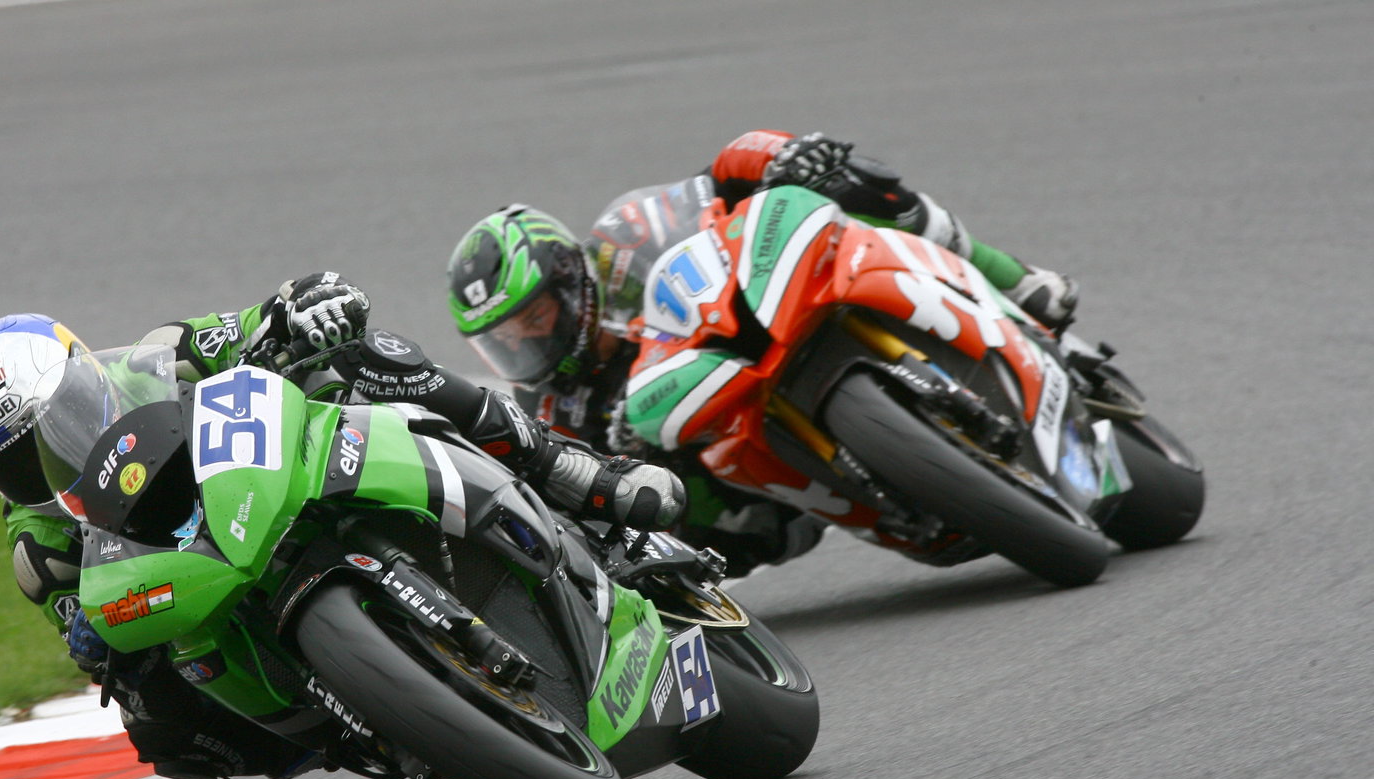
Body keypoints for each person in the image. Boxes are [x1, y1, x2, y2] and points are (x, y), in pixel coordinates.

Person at [0, 275, 684, 779]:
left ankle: (572, 473)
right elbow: (92, 636)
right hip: (205, 590)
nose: (46, 459)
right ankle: (364, 714)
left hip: (267, 476)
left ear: (81, 375)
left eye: (55, 421)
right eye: (16, 462)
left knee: (366, 359)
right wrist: (97, 644)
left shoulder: (154, 357)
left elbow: (252, 323)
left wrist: (305, 305)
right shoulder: (38, 548)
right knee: (164, 727)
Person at [445, 130, 1081, 576]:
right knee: (676, 518)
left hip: (762, 312)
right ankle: (896, 498)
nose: (526, 342)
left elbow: (721, 173)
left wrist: (784, 155)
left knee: (856, 190)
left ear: (566, 278)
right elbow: (586, 503)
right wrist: (630, 473)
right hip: (756, 491)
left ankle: (1012, 278)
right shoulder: (557, 409)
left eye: (534, 318)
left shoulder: (625, 241)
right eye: (504, 340)